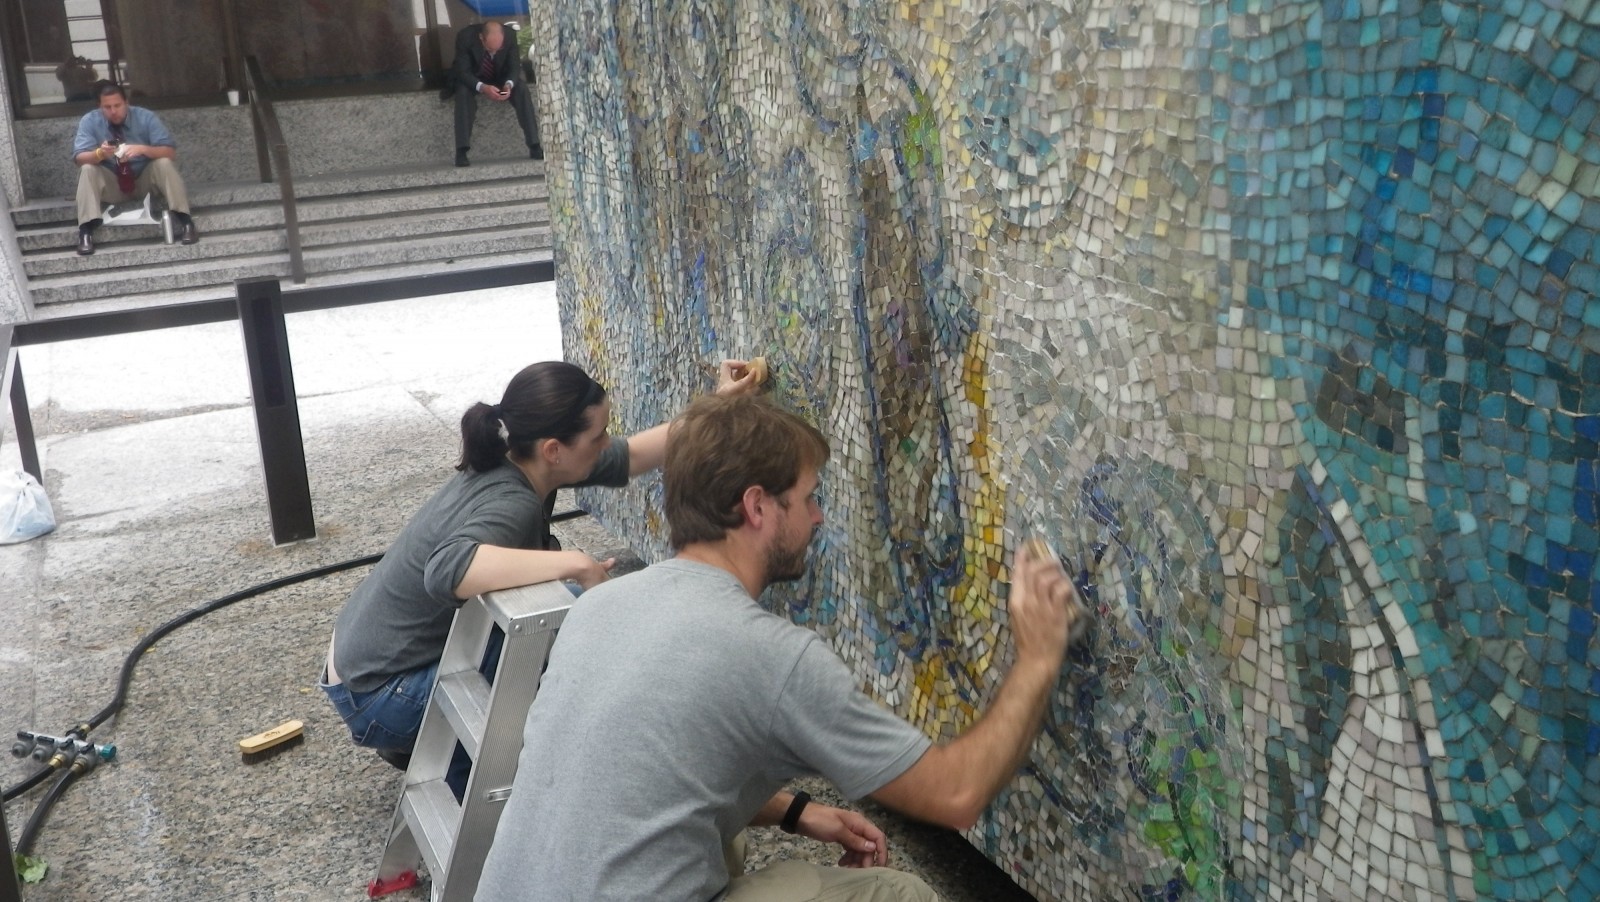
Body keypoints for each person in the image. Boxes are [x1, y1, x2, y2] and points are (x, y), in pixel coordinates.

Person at [476, 393, 1086, 901]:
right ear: (757, 506)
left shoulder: (602, 606)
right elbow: (957, 795)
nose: (817, 517)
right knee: (897, 893)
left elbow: (654, 771)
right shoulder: (773, 657)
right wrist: (1037, 656)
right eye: (809, 496)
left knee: (723, 835)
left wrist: (797, 811)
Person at [321, 359, 758, 770]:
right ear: (553, 449)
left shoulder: (520, 457)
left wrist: (720, 404)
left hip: (361, 666)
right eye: (599, 436)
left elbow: (636, 455)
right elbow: (446, 570)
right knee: (575, 629)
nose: (606, 443)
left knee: (567, 607)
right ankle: (452, 755)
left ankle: (427, 744)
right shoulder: (513, 502)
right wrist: (577, 564)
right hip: (379, 696)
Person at [70, 82, 198, 255]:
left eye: (117, 105)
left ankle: (186, 221)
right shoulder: (90, 120)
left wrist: (143, 149)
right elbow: (79, 158)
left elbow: (170, 152)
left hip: (144, 180)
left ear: (126, 102)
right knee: (87, 169)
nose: (113, 111)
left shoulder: (145, 117)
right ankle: (85, 231)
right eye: (107, 107)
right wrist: (100, 153)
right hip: (112, 183)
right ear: (99, 107)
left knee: (164, 163)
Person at [451, 22, 541, 167]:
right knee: (462, 94)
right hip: (474, 77)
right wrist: (483, 87)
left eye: (498, 49)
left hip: (500, 77)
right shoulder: (465, 37)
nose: (493, 53)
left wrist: (508, 85)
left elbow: (514, 67)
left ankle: (534, 145)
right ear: (481, 38)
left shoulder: (510, 36)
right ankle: (461, 150)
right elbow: (462, 71)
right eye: (490, 49)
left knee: (522, 89)